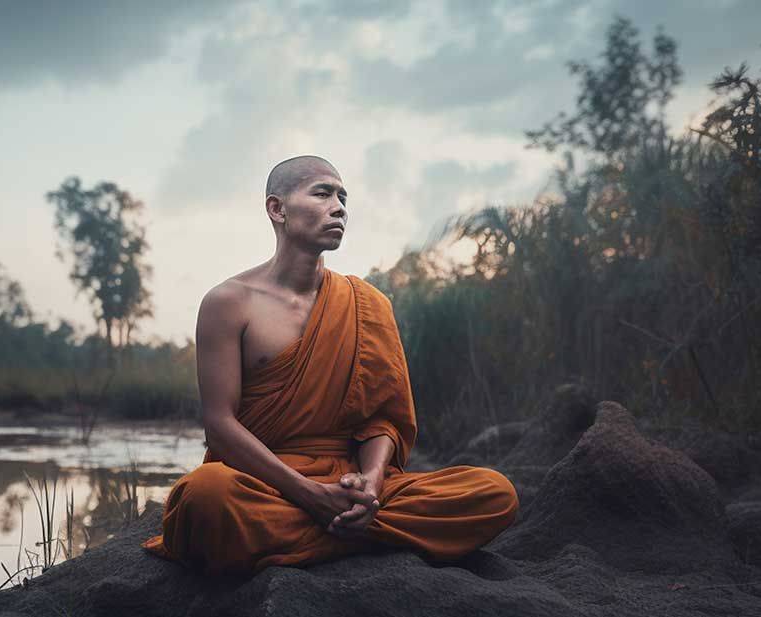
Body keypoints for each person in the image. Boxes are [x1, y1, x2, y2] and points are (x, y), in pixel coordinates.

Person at [141, 155, 519, 576]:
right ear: (277, 209)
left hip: (349, 482)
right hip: (263, 480)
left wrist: (372, 484)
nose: (338, 206)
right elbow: (220, 425)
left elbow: (382, 421)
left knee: (494, 492)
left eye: (342, 197)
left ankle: (335, 529)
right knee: (205, 496)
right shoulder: (229, 303)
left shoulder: (367, 304)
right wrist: (309, 495)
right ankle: (361, 535)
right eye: (322, 193)